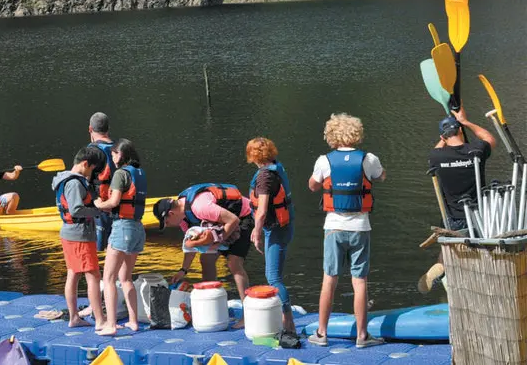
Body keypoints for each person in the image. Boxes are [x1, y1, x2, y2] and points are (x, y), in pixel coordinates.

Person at [307, 113, 386, 348]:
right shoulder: (368, 158)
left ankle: (321, 334)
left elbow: (312, 186)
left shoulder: (325, 160)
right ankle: (362, 336)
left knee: (329, 280)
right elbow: (381, 176)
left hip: (333, 227)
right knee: (359, 281)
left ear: (331, 135)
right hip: (360, 227)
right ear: (357, 134)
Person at [420, 107, 496, 292]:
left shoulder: (436, 156)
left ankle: (441, 269)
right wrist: (466, 122)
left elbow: (435, 150)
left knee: (449, 248)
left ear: (443, 137)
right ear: (460, 130)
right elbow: (490, 140)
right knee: (478, 250)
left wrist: (444, 137)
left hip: (451, 216)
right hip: (477, 215)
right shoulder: (475, 151)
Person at [153, 183, 254, 311]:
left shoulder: (200, 207)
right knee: (206, 260)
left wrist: (218, 241)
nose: (168, 225)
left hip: (243, 216)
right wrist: (183, 270)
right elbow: (191, 246)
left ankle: (247, 311)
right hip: (222, 222)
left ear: (171, 213)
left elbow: (233, 220)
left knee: (234, 263)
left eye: (167, 222)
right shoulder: (184, 219)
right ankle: (212, 305)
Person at [93, 139, 147, 336]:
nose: (113, 158)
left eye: (114, 154)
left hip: (122, 227)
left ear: (121, 154)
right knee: (126, 278)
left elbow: (114, 201)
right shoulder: (139, 173)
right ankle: (133, 322)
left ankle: (111, 325)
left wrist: (98, 204)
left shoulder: (120, 174)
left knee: (108, 278)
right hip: (138, 229)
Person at [51, 146, 106, 329]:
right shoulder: (74, 183)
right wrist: (98, 210)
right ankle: (100, 320)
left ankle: (74, 318)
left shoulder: (64, 179)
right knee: (93, 275)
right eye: (91, 169)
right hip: (79, 235)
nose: (92, 173)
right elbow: (75, 209)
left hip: (70, 233)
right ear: (84, 164)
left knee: (73, 274)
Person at [246, 137, 296, 335]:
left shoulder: (265, 177)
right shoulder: (275, 167)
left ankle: (288, 321)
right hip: (279, 226)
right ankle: (286, 318)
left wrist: (256, 232)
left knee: (273, 277)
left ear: (253, 156)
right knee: (274, 275)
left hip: (276, 229)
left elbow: (263, 209)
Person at [87, 112, 117, 251]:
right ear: (108, 129)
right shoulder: (120, 148)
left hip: (101, 207)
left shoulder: (92, 150)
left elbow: (83, 180)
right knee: (116, 250)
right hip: (121, 208)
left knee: (101, 251)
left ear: (90, 129)